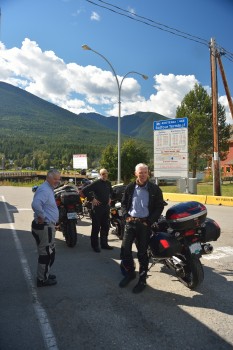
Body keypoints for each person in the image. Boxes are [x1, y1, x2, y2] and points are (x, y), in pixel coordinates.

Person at [119, 163, 164, 294]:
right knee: (125, 250)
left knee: (142, 254)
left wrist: (149, 221)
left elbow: (159, 207)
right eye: (140, 172)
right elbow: (123, 204)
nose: (143, 175)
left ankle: (142, 280)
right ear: (136, 173)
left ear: (148, 173)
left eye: (145, 172)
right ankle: (130, 273)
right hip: (131, 223)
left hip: (144, 225)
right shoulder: (130, 187)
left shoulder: (155, 189)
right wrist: (126, 216)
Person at [31, 169, 61, 287]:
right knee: (46, 254)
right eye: (55, 179)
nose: (57, 181)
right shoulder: (45, 189)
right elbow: (35, 204)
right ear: (48, 177)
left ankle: (45, 273)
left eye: (59, 179)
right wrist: (42, 216)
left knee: (50, 252)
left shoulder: (48, 188)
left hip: (47, 226)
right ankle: (42, 279)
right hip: (45, 227)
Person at [80, 168, 113, 252]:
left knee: (105, 226)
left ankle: (104, 244)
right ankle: (95, 246)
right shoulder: (96, 183)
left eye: (106, 173)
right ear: (100, 175)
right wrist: (92, 199)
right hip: (97, 208)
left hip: (106, 208)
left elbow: (111, 192)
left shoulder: (108, 183)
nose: (105, 175)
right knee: (96, 227)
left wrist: (110, 198)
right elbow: (84, 190)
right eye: (103, 174)